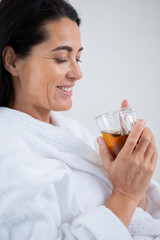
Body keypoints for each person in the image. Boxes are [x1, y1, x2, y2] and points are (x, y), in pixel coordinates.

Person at [0, 0, 160, 239]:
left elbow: (140, 218)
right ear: (12, 61)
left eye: (78, 58)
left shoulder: (73, 132)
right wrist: (124, 194)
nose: (77, 73)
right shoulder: (8, 154)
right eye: (62, 59)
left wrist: (136, 180)